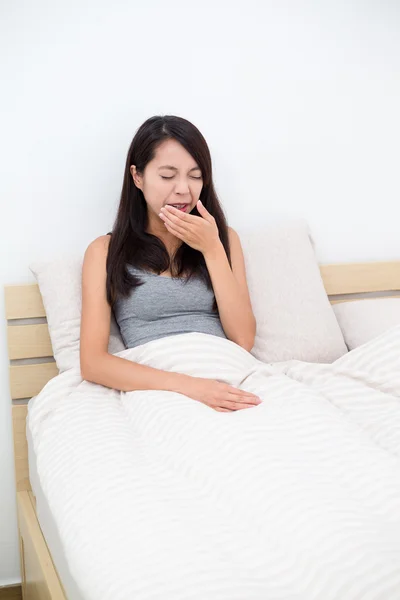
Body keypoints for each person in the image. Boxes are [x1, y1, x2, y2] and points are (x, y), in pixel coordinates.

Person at [80, 115, 261, 412]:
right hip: (163, 388)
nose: (183, 190)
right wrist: (193, 387)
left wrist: (212, 249)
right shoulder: (104, 251)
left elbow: (243, 339)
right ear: (138, 177)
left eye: (195, 175)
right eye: (167, 176)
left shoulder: (224, 239)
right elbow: (93, 363)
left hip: (230, 377)